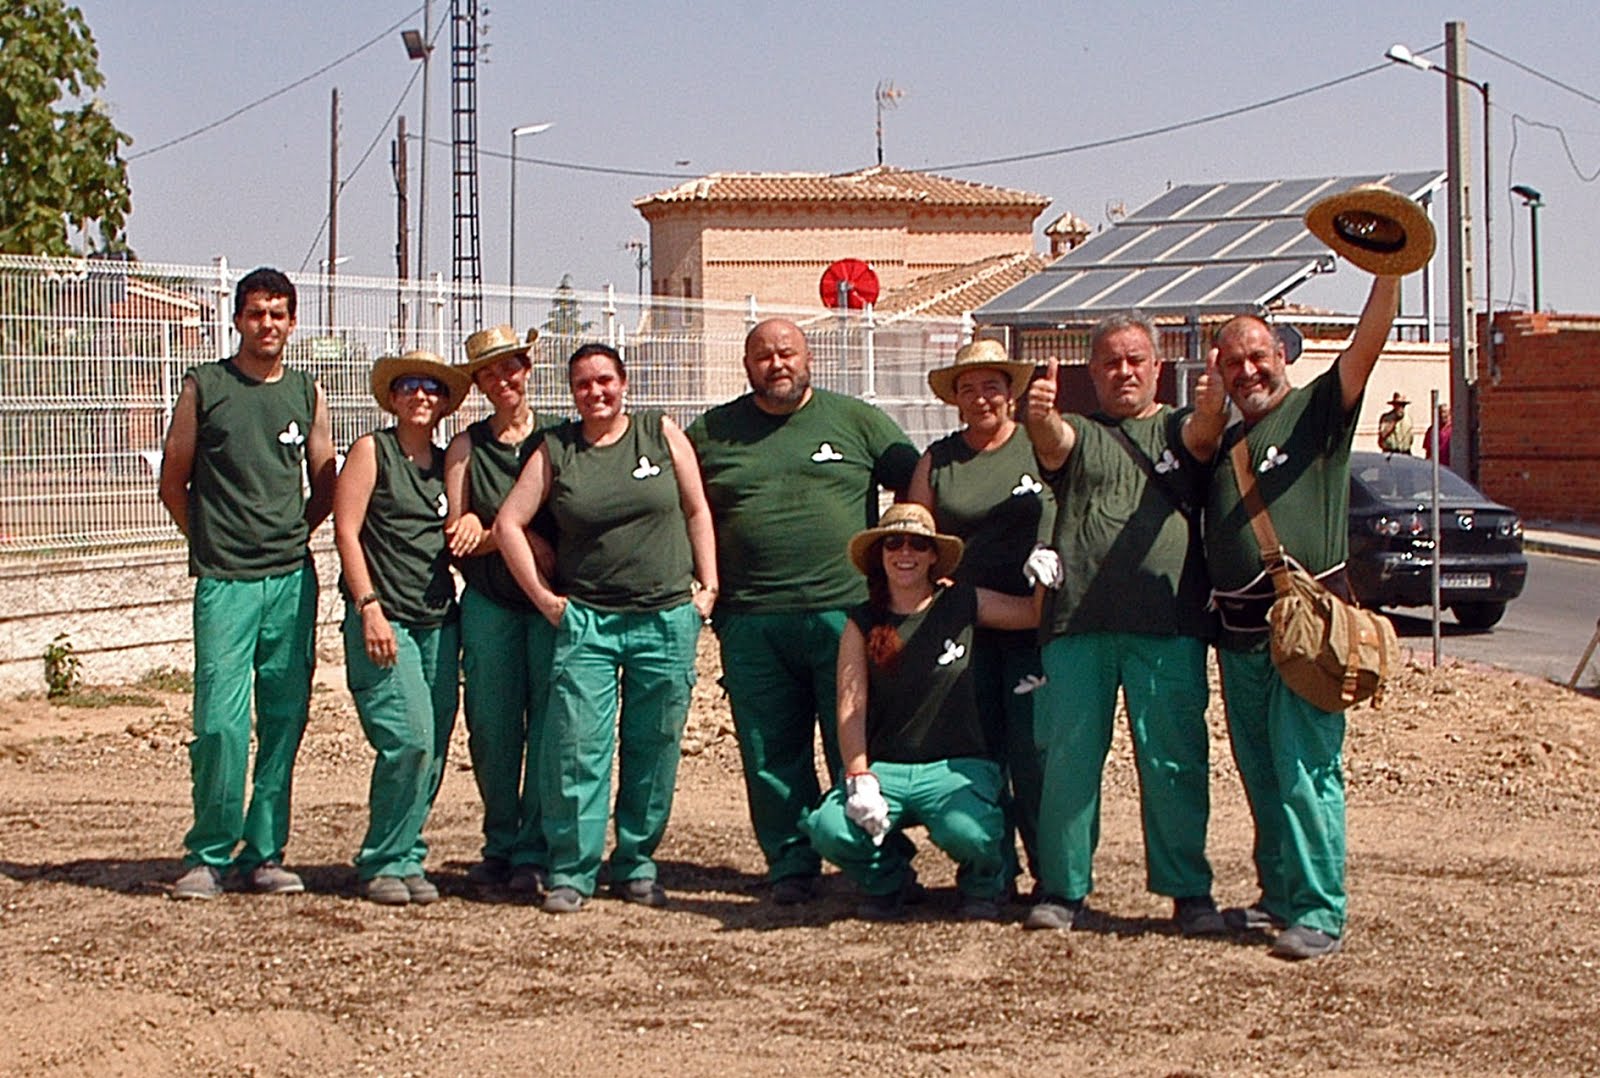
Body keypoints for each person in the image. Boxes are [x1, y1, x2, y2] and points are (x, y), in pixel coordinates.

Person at [686, 318, 920, 905]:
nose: (777, 364)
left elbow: (920, 486)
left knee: (858, 746)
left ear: (809, 357)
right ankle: (790, 862)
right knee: (770, 751)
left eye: (787, 352)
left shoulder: (855, 420)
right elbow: (675, 505)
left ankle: (877, 862)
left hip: (845, 616)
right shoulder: (713, 433)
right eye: (763, 356)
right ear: (747, 366)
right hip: (751, 619)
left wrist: (911, 568)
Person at [1206, 275, 1402, 960]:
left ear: (1282, 356)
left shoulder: (1319, 409)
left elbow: (1369, 342)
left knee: (1304, 772)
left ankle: (1320, 911)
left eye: (1258, 357)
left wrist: (1389, 265)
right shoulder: (1224, 441)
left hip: (1307, 631)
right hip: (1239, 638)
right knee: (1262, 775)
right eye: (1233, 363)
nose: (1248, 371)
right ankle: (1281, 896)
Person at [1021, 312, 1228, 935]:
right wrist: (1037, 414)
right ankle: (1062, 889)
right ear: (1093, 371)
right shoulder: (1079, 433)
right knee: (1069, 764)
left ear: (1158, 367)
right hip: (1077, 626)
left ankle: (1188, 891)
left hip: (1168, 626)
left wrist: (1214, 403)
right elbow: (1053, 442)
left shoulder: (1174, 427)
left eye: (1136, 360)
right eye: (1111, 361)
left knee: (1174, 764)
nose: (1124, 371)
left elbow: (1202, 433)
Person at [493, 343, 717, 914]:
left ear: (624, 383)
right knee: (576, 749)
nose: (596, 392)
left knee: (655, 743)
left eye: (605, 381)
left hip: (665, 617)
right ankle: (572, 869)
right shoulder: (557, 449)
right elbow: (508, 524)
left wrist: (707, 589)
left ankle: (637, 863)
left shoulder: (660, 433)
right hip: (587, 622)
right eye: (583, 384)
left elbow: (696, 510)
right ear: (571, 393)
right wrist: (546, 601)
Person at [158, 267, 335, 901]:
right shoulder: (206, 387)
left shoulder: (306, 393)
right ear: (237, 320)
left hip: (290, 580)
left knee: (284, 719)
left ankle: (264, 853)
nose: (268, 325)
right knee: (220, 723)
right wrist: (208, 543)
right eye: (257, 313)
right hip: (225, 582)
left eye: (280, 314)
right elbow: (173, 481)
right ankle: (208, 852)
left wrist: (294, 535)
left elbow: (326, 483)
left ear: (292, 323)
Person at [802, 504, 1037, 920]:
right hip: (885, 771)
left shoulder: (963, 602)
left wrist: (1044, 574)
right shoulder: (861, 621)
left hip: (957, 766)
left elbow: (1032, 614)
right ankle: (889, 880)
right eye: (893, 542)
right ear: (880, 555)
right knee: (828, 827)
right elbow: (850, 706)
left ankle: (986, 883)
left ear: (933, 555)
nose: (904, 552)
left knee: (970, 833)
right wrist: (859, 776)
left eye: (917, 544)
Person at [906, 338, 1053, 890]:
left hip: (1035, 626)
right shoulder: (939, 460)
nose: (981, 398)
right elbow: (913, 534)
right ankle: (990, 875)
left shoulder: (1038, 448)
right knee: (977, 754)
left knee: (1034, 755)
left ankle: (1051, 876)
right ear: (956, 400)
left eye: (991, 385)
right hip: (964, 631)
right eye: (968, 389)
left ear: (1010, 392)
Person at [334, 351, 470, 905]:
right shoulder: (373, 452)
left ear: (443, 403)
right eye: (409, 386)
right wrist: (369, 605)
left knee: (433, 746)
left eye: (432, 388)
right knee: (407, 739)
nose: (420, 395)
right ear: (392, 397)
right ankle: (380, 860)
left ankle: (408, 852)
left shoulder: (446, 467)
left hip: (440, 619)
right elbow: (346, 532)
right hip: (386, 622)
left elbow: (462, 531)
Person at [443, 324, 559, 896]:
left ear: (527, 367)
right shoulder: (467, 447)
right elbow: (455, 531)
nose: (502, 379)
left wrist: (492, 532)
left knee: (547, 726)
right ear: (479, 384)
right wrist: (484, 531)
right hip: (490, 601)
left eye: (509, 366)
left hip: (548, 602)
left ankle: (535, 847)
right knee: (491, 728)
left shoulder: (558, 441)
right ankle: (499, 840)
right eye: (488, 372)